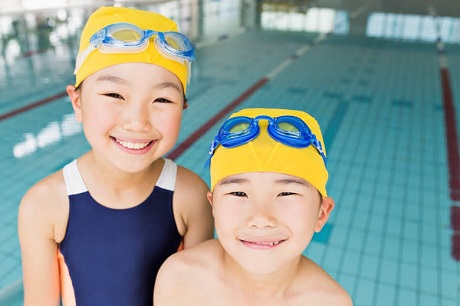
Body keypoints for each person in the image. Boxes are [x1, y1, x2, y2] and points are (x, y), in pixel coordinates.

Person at [18, 6, 214, 306]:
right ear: (77, 101)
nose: (137, 121)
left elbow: (198, 297)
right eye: (114, 95)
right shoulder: (44, 204)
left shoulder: (191, 196)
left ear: (183, 108)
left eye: (162, 99)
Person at [154, 108, 353, 305]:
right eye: (239, 193)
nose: (261, 218)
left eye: (286, 193)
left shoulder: (332, 302)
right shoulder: (180, 278)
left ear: (322, 213)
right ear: (213, 206)